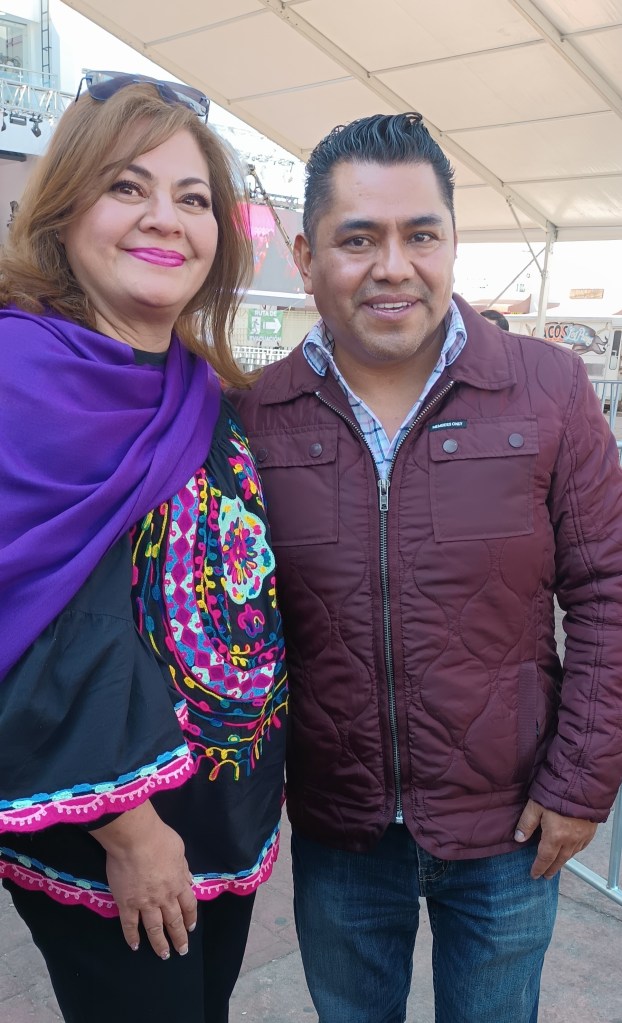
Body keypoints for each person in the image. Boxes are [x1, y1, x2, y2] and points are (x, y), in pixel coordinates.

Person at [230, 112, 622, 1023]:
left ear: (452, 242)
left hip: (511, 826)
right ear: (307, 255)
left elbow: (608, 592)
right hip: (340, 827)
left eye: (421, 234)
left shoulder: (548, 388)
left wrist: (580, 783)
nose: (393, 266)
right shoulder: (257, 417)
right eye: (358, 238)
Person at [0, 72, 287, 1023]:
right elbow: (26, 614)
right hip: (114, 833)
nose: (165, 218)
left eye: (192, 198)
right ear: (66, 208)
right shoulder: (21, 374)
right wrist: (128, 829)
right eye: (127, 186)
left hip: (223, 816)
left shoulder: (197, 384)